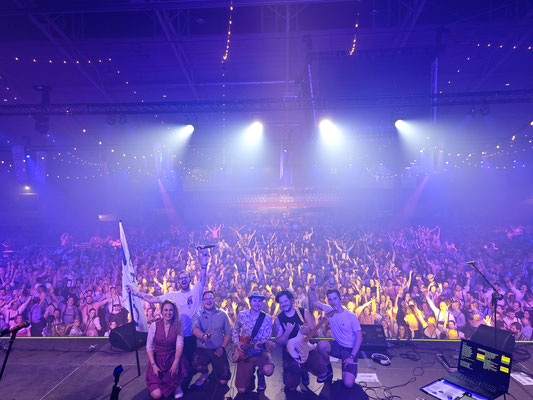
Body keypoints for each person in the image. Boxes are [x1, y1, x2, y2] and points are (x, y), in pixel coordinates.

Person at [129, 250, 208, 391]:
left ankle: (200, 375)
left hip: (193, 336)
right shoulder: (173, 295)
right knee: (178, 363)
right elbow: (152, 299)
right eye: (181, 278)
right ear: (178, 282)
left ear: (190, 279)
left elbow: (203, 273)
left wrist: (205, 256)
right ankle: (176, 384)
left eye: (186, 277)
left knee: (192, 362)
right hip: (177, 336)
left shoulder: (196, 291)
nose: (183, 280)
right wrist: (135, 293)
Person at [309, 280, 363, 389]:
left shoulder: (350, 316)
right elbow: (314, 301)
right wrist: (311, 289)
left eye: (335, 298)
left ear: (340, 299)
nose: (333, 301)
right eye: (330, 299)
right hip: (337, 346)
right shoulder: (329, 310)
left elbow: (359, 338)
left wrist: (351, 356)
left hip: (350, 350)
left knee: (348, 384)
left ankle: (348, 366)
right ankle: (328, 369)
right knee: (321, 345)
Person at [273, 290, 326, 391]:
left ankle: (305, 370)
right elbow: (280, 342)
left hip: (307, 349)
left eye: (285, 301)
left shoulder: (303, 312)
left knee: (322, 369)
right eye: (281, 302)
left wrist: (308, 332)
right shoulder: (279, 319)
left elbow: (315, 333)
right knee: (291, 384)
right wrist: (287, 333)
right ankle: (300, 371)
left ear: (291, 300)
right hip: (290, 353)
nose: (284, 304)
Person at [232, 291, 274, 394]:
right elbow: (235, 330)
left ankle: (260, 373)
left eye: (259, 301)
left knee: (268, 370)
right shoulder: (242, 315)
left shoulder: (267, 318)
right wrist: (237, 344)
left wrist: (259, 345)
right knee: (241, 390)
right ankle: (250, 375)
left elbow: (267, 337)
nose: (257, 303)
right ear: (250, 302)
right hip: (245, 352)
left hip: (260, 351)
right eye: (254, 300)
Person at [146, 299, 188, 399]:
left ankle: (176, 385)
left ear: (174, 312)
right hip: (158, 359)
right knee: (156, 395)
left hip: (172, 357)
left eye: (170, 310)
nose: (168, 313)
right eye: (166, 310)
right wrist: (153, 365)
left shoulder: (178, 325)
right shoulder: (154, 326)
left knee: (176, 368)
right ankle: (172, 384)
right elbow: (149, 346)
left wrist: (176, 362)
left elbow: (179, 344)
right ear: (161, 311)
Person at [191, 290, 232, 386]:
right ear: (202, 302)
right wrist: (203, 336)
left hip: (218, 350)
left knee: (223, 382)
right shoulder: (198, 314)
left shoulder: (222, 314)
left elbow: (228, 333)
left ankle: (215, 373)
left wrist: (222, 348)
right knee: (197, 365)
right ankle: (205, 373)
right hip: (203, 350)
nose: (208, 301)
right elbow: (194, 329)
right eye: (206, 299)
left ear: (214, 300)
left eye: (210, 298)